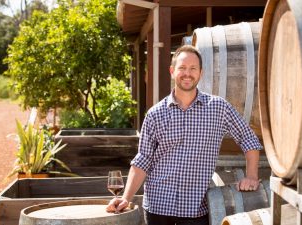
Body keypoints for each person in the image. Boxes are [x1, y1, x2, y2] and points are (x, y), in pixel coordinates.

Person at [106, 45, 263, 225]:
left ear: (201, 73)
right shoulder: (155, 114)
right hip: (157, 208)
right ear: (172, 71)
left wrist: (251, 175)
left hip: (195, 211)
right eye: (182, 68)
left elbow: (248, 139)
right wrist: (126, 198)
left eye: (192, 68)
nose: (187, 73)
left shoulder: (219, 108)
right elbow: (143, 159)